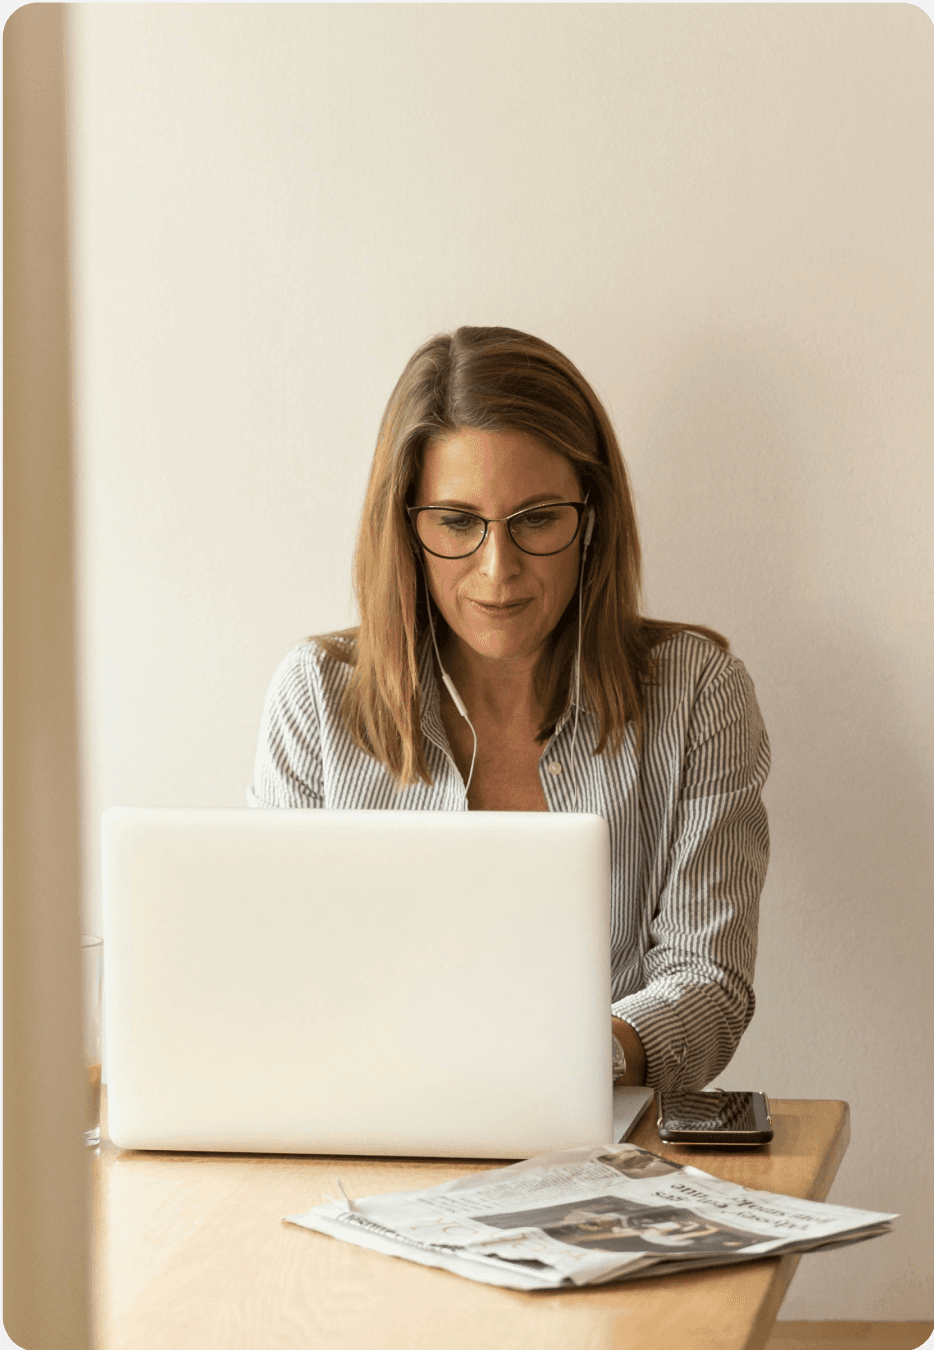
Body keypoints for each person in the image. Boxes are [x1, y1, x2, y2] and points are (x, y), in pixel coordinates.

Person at [248, 325, 770, 1093]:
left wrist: (571, 1061)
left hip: (602, 1141)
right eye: (458, 523)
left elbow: (708, 983)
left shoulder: (698, 694)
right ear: (406, 528)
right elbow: (275, 975)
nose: (499, 571)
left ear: (591, 518)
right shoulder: (316, 697)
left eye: (536, 520)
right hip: (366, 1130)